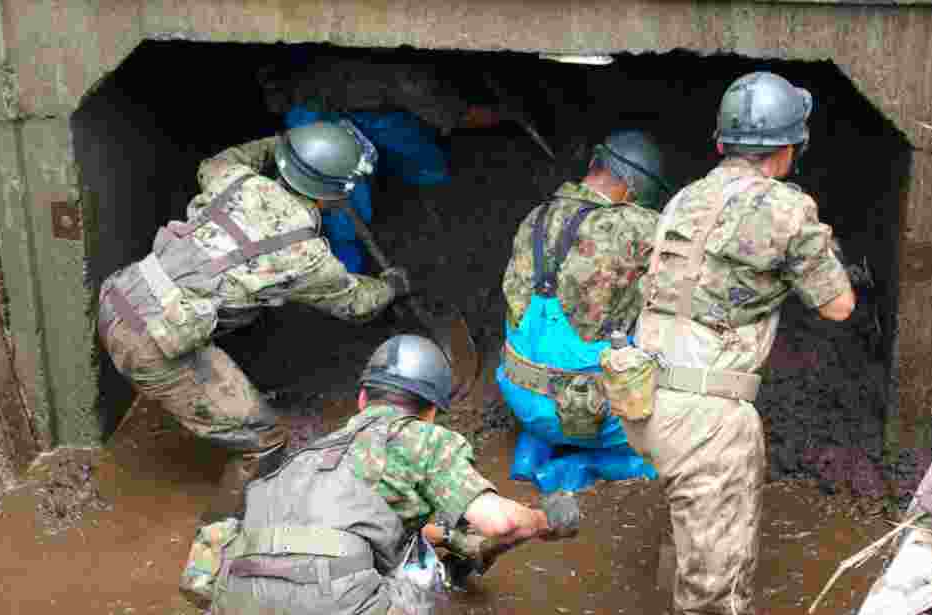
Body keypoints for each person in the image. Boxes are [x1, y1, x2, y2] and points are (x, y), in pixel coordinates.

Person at [620, 72, 857, 615]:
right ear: (790, 147)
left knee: (687, 536)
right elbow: (838, 306)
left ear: (723, 141)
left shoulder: (685, 198)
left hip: (645, 395)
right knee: (715, 592)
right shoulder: (787, 208)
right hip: (706, 414)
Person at [97, 119, 412, 523]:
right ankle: (216, 549)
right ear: (334, 196)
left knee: (244, 306)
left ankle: (232, 396)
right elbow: (357, 304)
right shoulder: (306, 256)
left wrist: (282, 144)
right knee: (265, 441)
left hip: (120, 295)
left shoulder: (233, 178)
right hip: (151, 345)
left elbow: (223, 158)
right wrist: (392, 285)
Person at [209, 334, 554, 614]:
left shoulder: (311, 456)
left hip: (237, 595)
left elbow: (347, 529)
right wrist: (545, 520)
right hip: (330, 601)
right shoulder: (422, 440)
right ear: (431, 411)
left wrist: (452, 539)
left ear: (362, 399)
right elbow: (502, 522)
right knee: (419, 575)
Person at [497, 130, 676, 494]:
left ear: (595, 164)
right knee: (676, 440)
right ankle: (580, 465)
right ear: (632, 192)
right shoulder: (637, 227)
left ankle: (530, 453)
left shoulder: (535, 217)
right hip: (588, 414)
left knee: (541, 350)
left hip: (520, 398)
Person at [259, 54, 504, 274]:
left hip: (361, 98)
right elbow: (460, 115)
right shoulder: (412, 79)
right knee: (341, 194)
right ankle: (347, 272)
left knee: (414, 149)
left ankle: (415, 181)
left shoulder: (409, 72)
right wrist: (507, 114)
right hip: (312, 105)